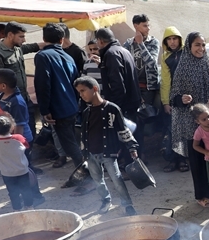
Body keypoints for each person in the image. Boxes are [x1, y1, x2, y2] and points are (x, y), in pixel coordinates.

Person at [74, 76, 139, 215]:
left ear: (95, 89)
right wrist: (83, 152)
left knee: (117, 179)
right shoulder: (86, 112)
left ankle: (128, 205)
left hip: (108, 153)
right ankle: (105, 200)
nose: (81, 95)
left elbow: (123, 130)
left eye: (83, 90)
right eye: (79, 92)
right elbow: (83, 135)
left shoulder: (112, 109)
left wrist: (131, 147)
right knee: (98, 180)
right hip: (91, 154)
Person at [170, 31, 209, 200]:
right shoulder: (183, 67)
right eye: (197, 45)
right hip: (191, 124)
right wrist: (182, 99)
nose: (201, 48)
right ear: (189, 46)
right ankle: (202, 196)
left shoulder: (208, 65)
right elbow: (173, 97)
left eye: (203, 45)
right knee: (198, 161)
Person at [34, 23, 84, 169]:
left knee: (70, 146)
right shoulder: (68, 57)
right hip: (71, 107)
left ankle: (86, 177)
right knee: (72, 143)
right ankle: (83, 174)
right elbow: (76, 84)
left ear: (43, 38)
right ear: (62, 39)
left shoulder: (43, 56)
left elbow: (43, 84)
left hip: (58, 110)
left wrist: (44, 110)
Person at [0, 22, 35, 138]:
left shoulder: (17, 48)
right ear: (10, 35)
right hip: (10, 101)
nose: (24, 40)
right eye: (21, 36)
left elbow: (29, 47)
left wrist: (46, 44)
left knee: (29, 129)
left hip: (24, 96)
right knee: (17, 129)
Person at [0, 114, 44, 210]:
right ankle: (29, 207)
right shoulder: (18, 138)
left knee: (12, 192)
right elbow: (26, 146)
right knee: (26, 190)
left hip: (6, 173)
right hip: (22, 170)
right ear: (12, 127)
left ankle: (17, 209)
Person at [123, 14, 161, 131]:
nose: (148, 28)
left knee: (144, 117)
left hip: (147, 88)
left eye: (148, 25)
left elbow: (152, 63)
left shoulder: (153, 42)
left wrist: (141, 44)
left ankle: (142, 146)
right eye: (145, 26)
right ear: (136, 26)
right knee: (131, 117)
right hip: (132, 88)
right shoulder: (128, 44)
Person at [92, 28, 141, 119]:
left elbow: (117, 83)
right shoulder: (123, 51)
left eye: (97, 41)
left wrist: (114, 108)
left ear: (100, 41)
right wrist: (102, 66)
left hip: (123, 106)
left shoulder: (111, 54)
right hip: (131, 103)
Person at [158, 26, 186, 171]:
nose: (173, 42)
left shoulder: (187, 54)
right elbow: (165, 81)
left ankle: (184, 160)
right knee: (171, 131)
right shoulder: (165, 57)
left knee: (185, 131)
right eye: (169, 39)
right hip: (172, 100)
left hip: (186, 100)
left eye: (175, 38)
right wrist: (165, 102)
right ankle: (173, 160)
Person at [0, 69, 33, 144]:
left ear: (3, 86)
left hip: (20, 141)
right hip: (7, 138)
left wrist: (15, 144)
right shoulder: (1, 94)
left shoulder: (16, 102)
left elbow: (19, 126)